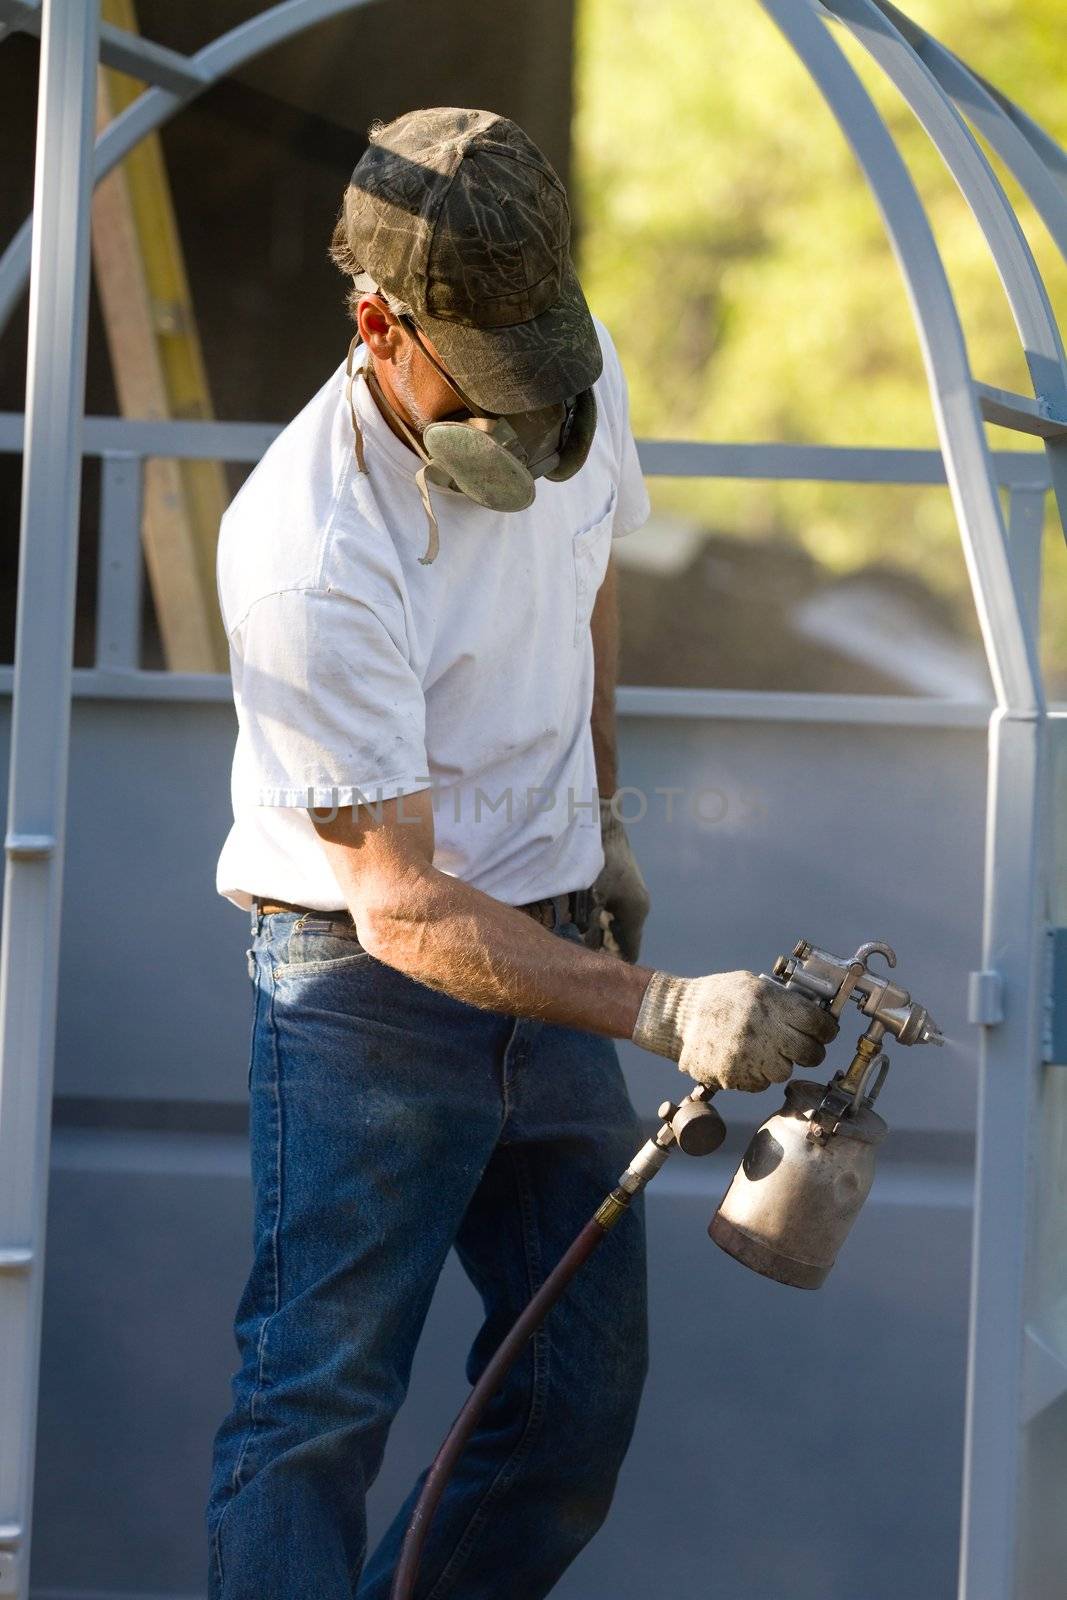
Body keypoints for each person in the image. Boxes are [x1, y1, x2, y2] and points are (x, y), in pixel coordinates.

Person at [205, 107, 836, 1600]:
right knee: (315, 1417)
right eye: (480, 385)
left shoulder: (562, 364)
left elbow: (591, 563)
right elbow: (402, 903)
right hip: (367, 996)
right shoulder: (307, 549)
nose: (527, 421)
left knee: (569, 1408)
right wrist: (668, 1009)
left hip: (548, 944)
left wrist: (599, 816)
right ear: (378, 323)